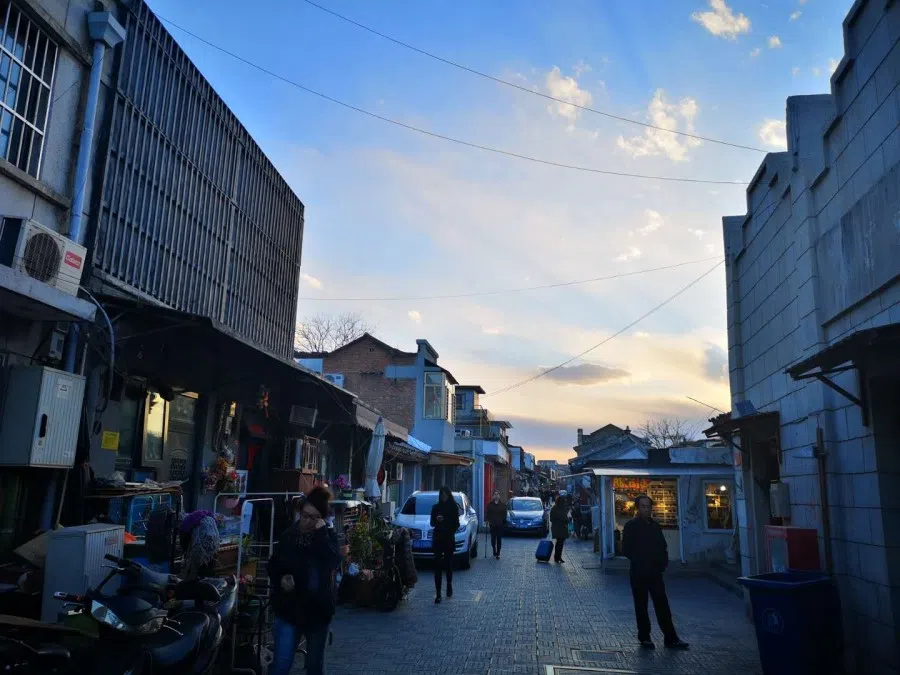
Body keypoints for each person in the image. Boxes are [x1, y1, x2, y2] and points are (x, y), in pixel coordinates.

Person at [268, 486, 342, 675]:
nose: (307, 521)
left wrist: (321, 534)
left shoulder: (327, 538)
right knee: (281, 663)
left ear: (322, 519)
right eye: (305, 515)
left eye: (313, 517)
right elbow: (274, 565)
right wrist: (281, 578)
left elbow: (333, 561)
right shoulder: (289, 536)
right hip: (289, 609)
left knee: (314, 665)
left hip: (318, 613)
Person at [621, 495, 689, 650]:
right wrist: (641, 560)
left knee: (662, 605)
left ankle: (670, 638)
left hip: (655, 573)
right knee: (641, 606)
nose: (647, 509)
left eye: (648, 506)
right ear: (638, 508)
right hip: (639, 573)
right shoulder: (631, 526)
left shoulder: (655, 526)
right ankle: (645, 637)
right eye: (643, 506)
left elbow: (662, 546)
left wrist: (662, 564)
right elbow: (626, 549)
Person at [430, 486, 459, 604]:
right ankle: (438, 593)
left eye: (445, 495)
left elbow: (456, 524)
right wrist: (437, 519)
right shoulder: (436, 508)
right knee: (437, 566)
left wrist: (446, 521)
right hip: (438, 539)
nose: (443, 498)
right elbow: (432, 523)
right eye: (441, 495)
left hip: (448, 539)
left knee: (448, 564)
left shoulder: (453, 508)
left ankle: (449, 584)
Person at [485, 490, 508, 559]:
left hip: (500, 525)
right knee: (493, 539)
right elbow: (487, 514)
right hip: (492, 524)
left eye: (497, 494)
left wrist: (503, 521)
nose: (496, 495)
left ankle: (498, 553)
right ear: (493, 496)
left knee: (499, 539)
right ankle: (494, 550)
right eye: (495, 494)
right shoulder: (489, 505)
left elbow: (505, 514)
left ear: (499, 496)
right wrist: (487, 520)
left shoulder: (503, 505)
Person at [549, 494, 570, 564]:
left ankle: (557, 557)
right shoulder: (558, 509)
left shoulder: (558, 508)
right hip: (559, 529)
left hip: (559, 528)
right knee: (560, 543)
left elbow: (552, 519)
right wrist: (562, 519)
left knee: (559, 543)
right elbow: (564, 519)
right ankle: (557, 557)